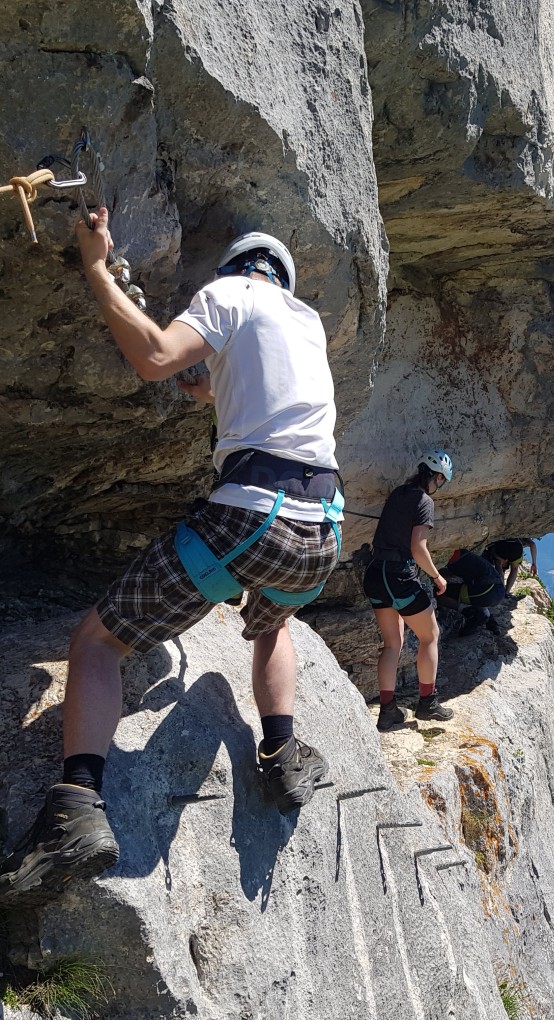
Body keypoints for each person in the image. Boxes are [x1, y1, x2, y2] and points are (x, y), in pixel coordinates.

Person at [0, 212, 344, 902]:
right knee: (269, 621)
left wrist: (97, 267)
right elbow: (255, 388)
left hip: (251, 520)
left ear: (239, 269)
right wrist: (211, 385)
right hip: (321, 535)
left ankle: (75, 807)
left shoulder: (230, 294)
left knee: (97, 642)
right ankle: (279, 753)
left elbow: (155, 354)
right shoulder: (306, 323)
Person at [362, 450, 456, 732]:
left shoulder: (398, 493)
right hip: (399, 576)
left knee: (392, 644)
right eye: (442, 481)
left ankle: (388, 710)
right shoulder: (424, 502)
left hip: (376, 574)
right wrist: (437, 577)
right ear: (438, 477)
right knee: (430, 636)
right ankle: (427, 702)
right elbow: (418, 548)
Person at [437, 548, 506, 635]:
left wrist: (434, 576)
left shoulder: (453, 558)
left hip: (485, 592)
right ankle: (488, 617)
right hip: (498, 591)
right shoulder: (467, 556)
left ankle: (468, 611)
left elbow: (449, 574)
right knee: (478, 595)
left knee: (438, 593)